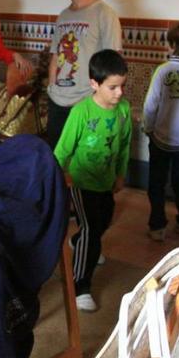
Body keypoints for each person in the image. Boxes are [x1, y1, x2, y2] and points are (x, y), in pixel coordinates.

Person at [53, 49, 131, 313]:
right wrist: (54, 176)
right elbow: (63, 149)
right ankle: (80, 286)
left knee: (103, 220)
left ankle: (82, 243)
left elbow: (125, 145)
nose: (119, 93)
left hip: (106, 181)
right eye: (112, 87)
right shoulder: (81, 112)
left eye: (122, 86)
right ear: (94, 84)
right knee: (90, 226)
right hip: (80, 180)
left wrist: (120, 174)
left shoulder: (123, 110)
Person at [45, 0, 123, 145]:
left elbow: (113, 64)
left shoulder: (104, 14)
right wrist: (52, 87)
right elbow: (56, 56)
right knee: (55, 160)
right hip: (57, 102)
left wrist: (100, 102)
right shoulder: (63, 15)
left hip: (87, 103)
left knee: (82, 165)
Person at [142, 19, 179, 242]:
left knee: (156, 183)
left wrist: (147, 128)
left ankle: (157, 226)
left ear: (174, 43)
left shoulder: (164, 70)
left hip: (160, 137)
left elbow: (151, 105)